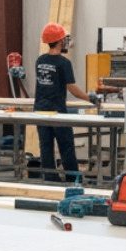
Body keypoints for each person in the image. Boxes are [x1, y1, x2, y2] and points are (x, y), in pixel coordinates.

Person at [32, 23, 90, 184]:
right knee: (66, 145)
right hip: (57, 111)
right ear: (59, 41)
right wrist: (90, 98)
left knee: (46, 146)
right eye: (64, 39)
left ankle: (50, 178)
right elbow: (72, 88)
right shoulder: (64, 63)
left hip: (40, 110)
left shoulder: (40, 61)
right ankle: (73, 178)